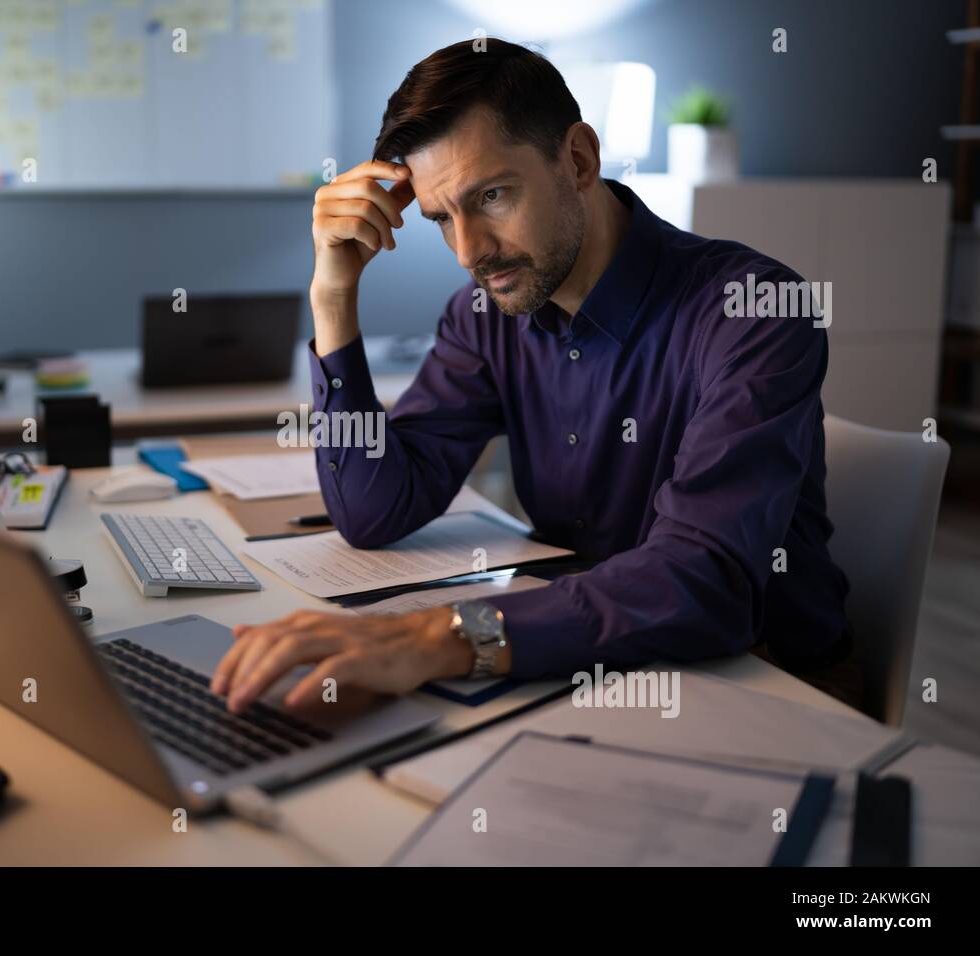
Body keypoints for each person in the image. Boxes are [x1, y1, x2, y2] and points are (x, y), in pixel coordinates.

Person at [210, 38, 861, 715]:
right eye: (441, 219)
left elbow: (704, 580)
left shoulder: (752, 309)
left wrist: (442, 636)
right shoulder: (486, 314)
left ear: (578, 160)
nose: (468, 252)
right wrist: (333, 298)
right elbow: (376, 511)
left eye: (491, 196)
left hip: (766, 682)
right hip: (583, 664)